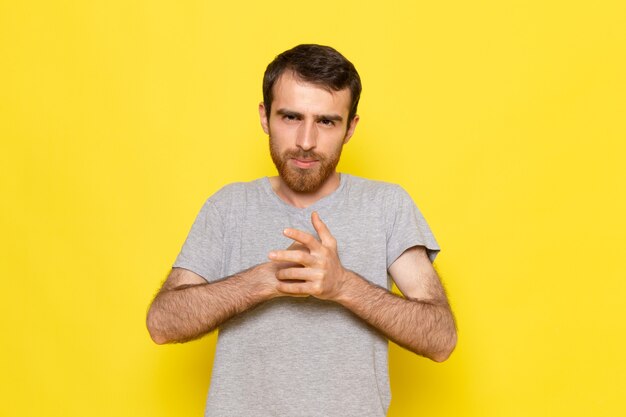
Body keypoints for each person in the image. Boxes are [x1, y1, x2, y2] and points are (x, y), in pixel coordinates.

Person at [146, 44, 457, 417]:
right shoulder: (228, 207)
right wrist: (264, 281)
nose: (306, 142)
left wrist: (343, 286)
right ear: (265, 117)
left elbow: (441, 339)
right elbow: (161, 324)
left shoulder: (386, 206)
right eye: (291, 117)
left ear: (350, 127)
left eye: (326, 121)